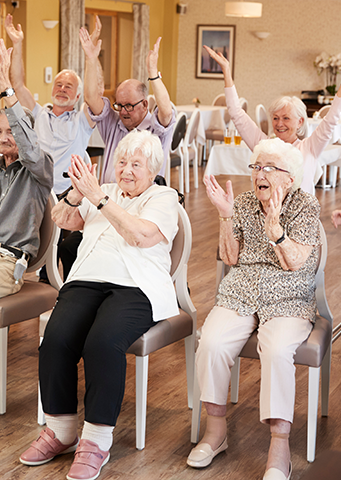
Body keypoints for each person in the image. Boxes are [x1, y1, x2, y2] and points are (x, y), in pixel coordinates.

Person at [19, 130, 179, 480]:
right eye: (122, 162)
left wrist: (100, 200)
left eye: (137, 164)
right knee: (56, 338)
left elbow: (140, 235)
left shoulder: (164, 197)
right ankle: (61, 431)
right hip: (87, 280)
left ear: (152, 170)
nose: (127, 170)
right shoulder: (100, 190)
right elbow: (64, 220)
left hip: (137, 287)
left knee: (103, 342)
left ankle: (96, 440)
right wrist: (78, 195)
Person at [187, 138, 320, 480]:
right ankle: (215, 432)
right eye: (256, 167)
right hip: (242, 290)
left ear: (289, 177)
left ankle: (279, 446)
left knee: (276, 350)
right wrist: (225, 215)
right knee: (212, 343)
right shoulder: (244, 202)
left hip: (288, 295)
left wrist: (275, 229)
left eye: (269, 168)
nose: (260, 174)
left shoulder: (305, 206)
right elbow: (231, 258)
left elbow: (294, 262)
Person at [204, 45, 341, 195]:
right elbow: (236, 113)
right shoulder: (263, 145)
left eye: (286, 118)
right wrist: (226, 70)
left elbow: (331, 119)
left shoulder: (310, 147)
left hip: (300, 221)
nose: (279, 123)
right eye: (276, 118)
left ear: (300, 122)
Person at [5, 14, 96, 195]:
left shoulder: (82, 120)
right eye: (59, 85)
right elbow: (18, 85)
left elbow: (94, 95)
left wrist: (90, 57)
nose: (62, 89)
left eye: (68, 86)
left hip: (66, 193)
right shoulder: (38, 113)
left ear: (78, 96)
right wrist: (17, 44)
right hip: (34, 188)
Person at [79, 27, 176, 183]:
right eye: (119, 105)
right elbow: (91, 98)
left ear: (145, 104)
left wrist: (153, 72)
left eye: (129, 106)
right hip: (108, 199)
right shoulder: (113, 124)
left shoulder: (157, 131)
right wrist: (91, 58)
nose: (123, 111)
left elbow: (166, 112)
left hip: (143, 203)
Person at [0, 39, 53, 298]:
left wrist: (7, 90)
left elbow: (29, 148)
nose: (4, 138)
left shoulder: (39, 168)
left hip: (9, 262)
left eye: (11, 132)